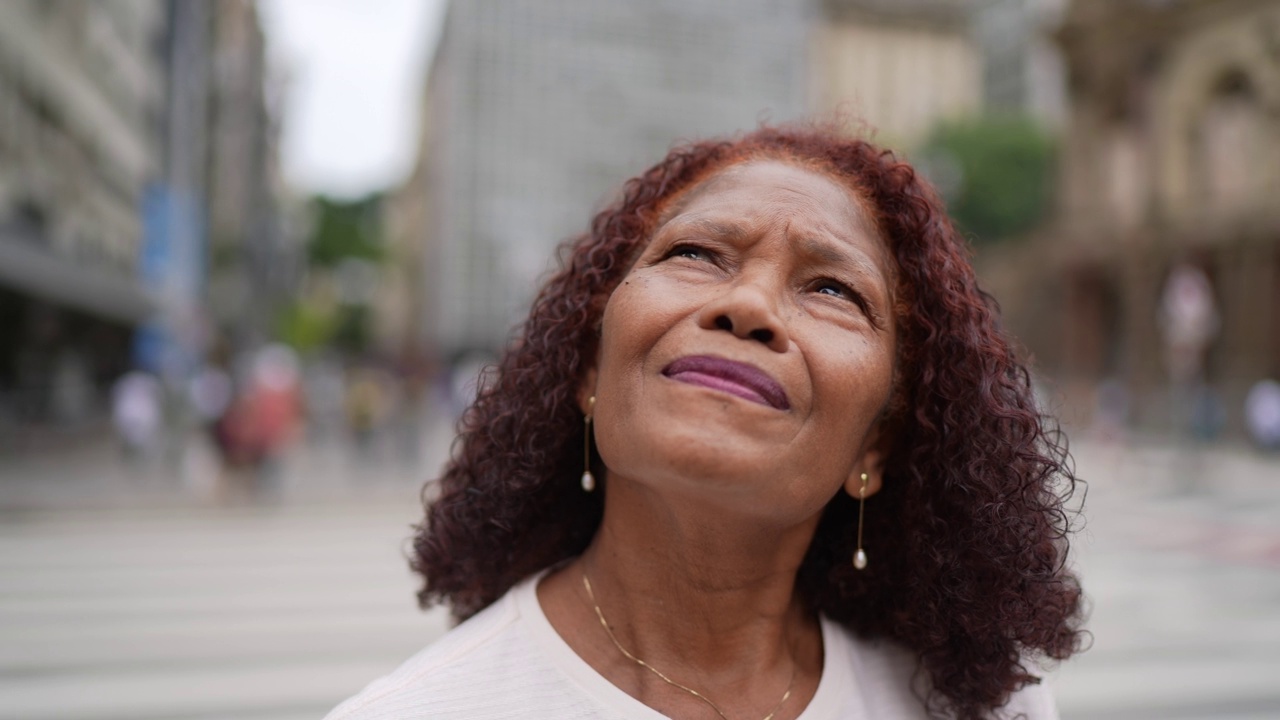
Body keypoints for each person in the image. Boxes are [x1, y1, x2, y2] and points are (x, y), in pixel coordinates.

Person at [328, 125, 1085, 720]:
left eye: (832, 290)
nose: (749, 306)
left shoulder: (987, 714)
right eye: (695, 253)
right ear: (589, 373)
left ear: (876, 446)